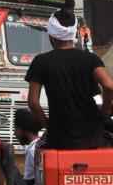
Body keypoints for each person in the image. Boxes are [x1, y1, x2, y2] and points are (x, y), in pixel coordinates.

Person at [26, 9, 113, 150]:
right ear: (74, 32)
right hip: (92, 137)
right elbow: (109, 86)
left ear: (51, 35)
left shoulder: (41, 61)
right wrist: (105, 111)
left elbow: (33, 103)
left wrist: (48, 125)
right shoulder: (90, 59)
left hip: (60, 139)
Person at [15, 109, 42, 185]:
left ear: (25, 131)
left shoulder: (33, 151)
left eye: (16, 129)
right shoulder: (35, 147)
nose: (14, 134)